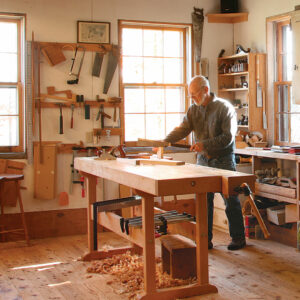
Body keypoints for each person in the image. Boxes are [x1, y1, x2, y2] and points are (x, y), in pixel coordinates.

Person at [164, 75, 246, 251]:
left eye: (194, 95)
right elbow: (182, 130)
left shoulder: (225, 108)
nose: (192, 99)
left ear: (206, 90)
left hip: (224, 160)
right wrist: (164, 142)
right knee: (203, 201)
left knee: (231, 200)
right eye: (190, 96)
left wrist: (204, 144)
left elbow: (228, 137)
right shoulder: (193, 110)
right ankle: (204, 239)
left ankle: (238, 238)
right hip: (203, 160)